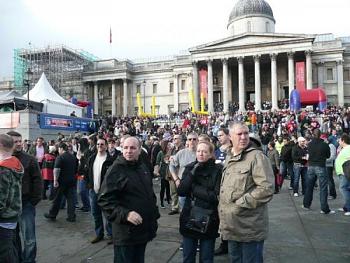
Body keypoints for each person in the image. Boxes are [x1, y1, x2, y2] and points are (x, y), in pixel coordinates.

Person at [98, 137, 160, 263]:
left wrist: (153, 218)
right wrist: (126, 214)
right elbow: (104, 200)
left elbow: (149, 195)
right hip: (125, 233)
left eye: (132, 148)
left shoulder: (142, 167)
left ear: (139, 150)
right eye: (125, 148)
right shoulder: (116, 170)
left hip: (142, 231)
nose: (128, 151)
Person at [219, 122, 274, 263]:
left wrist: (240, 204)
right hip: (231, 226)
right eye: (239, 134)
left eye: (245, 133)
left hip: (250, 227)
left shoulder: (257, 157)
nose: (243, 137)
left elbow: (266, 188)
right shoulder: (229, 156)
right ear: (230, 136)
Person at [177, 141, 222, 263]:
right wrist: (191, 174)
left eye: (204, 151)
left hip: (209, 219)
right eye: (198, 151)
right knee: (188, 257)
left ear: (211, 154)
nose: (201, 154)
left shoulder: (218, 170)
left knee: (206, 258)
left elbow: (215, 196)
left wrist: (194, 188)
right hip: (189, 217)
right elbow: (181, 191)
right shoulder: (190, 167)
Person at [7, 131, 43, 263]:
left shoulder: (30, 159)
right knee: (12, 237)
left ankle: (29, 260)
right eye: (15, 141)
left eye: (19, 141)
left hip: (26, 204)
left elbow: (38, 181)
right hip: (9, 206)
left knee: (29, 238)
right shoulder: (4, 159)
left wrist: (33, 201)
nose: (19, 144)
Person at [86, 138, 117, 244]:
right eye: (98, 144)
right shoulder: (91, 158)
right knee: (95, 214)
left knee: (108, 214)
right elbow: (87, 172)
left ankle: (111, 235)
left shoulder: (111, 160)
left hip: (106, 193)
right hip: (93, 191)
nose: (99, 146)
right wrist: (89, 185)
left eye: (102, 144)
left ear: (106, 146)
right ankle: (99, 234)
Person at [0, 134, 24, 263]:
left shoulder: (3, 169)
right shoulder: (15, 163)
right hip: (12, 215)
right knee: (11, 248)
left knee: (5, 254)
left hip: (4, 218)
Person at [302, 129, 334, 214]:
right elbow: (328, 156)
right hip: (320, 166)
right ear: (320, 135)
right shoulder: (324, 145)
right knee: (323, 188)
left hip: (311, 166)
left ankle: (306, 204)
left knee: (309, 186)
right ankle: (324, 208)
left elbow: (308, 155)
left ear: (313, 134)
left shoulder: (309, 145)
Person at [44, 143, 77, 222]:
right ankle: (71, 216)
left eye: (58, 149)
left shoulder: (60, 157)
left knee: (57, 199)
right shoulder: (73, 157)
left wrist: (55, 180)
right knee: (71, 199)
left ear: (61, 148)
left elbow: (56, 169)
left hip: (61, 181)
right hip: (71, 180)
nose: (58, 150)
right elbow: (76, 169)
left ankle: (52, 214)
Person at [213, 128, 231, 256]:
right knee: (222, 218)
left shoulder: (233, 149)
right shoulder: (217, 150)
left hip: (231, 187)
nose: (219, 137)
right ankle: (224, 244)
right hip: (219, 187)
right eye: (218, 135)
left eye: (221, 135)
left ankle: (232, 243)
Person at [168, 134, 185, 215]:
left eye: (176, 138)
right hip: (172, 174)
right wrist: (168, 158)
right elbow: (166, 158)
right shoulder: (171, 149)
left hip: (181, 174)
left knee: (181, 192)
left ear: (180, 140)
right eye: (173, 138)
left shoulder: (184, 149)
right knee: (173, 192)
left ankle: (181, 208)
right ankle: (174, 207)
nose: (174, 140)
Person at [335, 133, 350, 216]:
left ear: (343, 141)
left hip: (345, 173)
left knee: (343, 189)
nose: (339, 141)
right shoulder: (344, 148)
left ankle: (349, 207)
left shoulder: (348, 149)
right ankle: (346, 206)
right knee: (346, 189)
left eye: (340, 140)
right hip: (343, 173)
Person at [154, 140, 171, 209]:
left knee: (168, 187)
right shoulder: (161, 153)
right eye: (168, 145)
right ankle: (161, 202)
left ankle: (168, 200)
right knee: (163, 188)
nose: (169, 146)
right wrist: (157, 171)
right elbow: (157, 162)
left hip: (169, 172)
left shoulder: (170, 152)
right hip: (163, 172)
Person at [323, 135, 337, 199]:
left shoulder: (331, 146)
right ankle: (329, 193)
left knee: (330, 180)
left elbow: (332, 157)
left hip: (328, 165)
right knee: (326, 180)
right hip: (324, 165)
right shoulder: (325, 145)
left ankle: (332, 194)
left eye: (323, 139)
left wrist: (324, 160)